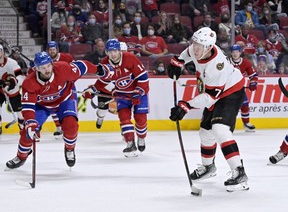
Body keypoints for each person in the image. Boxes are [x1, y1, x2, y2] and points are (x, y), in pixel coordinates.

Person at [167, 27, 249, 192]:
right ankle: (208, 168)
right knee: (205, 132)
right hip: (213, 92)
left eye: (199, 46)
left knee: (219, 129)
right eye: (195, 43)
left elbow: (210, 97)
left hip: (231, 92)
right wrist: (177, 61)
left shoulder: (216, 66)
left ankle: (239, 171)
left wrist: (186, 105)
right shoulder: (199, 48)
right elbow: (188, 52)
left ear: (209, 47)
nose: (195, 48)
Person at [5, 51, 112, 169]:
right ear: (36, 69)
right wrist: (31, 121)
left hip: (65, 100)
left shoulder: (63, 68)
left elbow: (82, 66)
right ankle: (21, 156)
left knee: (71, 126)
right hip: (42, 106)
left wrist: (98, 69)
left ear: (52, 64)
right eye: (42, 67)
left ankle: (70, 149)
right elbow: (28, 106)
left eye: (48, 66)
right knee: (28, 131)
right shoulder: (29, 83)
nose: (47, 70)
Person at [83, 39, 149, 157]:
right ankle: (130, 143)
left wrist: (139, 92)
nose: (112, 54)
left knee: (140, 118)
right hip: (122, 94)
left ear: (119, 50)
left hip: (138, 93)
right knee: (124, 118)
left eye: (115, 51)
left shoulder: (130, 58)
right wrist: (92, 90)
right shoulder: (105, 63)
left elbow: (143, 77)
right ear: (106, 52)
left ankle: (141, 137)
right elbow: (102, 82)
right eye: (109, 51)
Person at [47, 41, 74, 138]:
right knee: (53, 108)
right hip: (54, 87)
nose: (52, 51)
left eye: (53, 49)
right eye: (50, 50)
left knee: (68, 107)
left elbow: (74, 69)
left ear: (57, 49)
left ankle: (68, 128)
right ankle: (58, 128)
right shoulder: (46, 60)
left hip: (67, 85)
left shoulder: (66, 57)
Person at [229, 44, 258, 132]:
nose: (235, 54)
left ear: (240, 52)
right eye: (233, 52)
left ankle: (246, 123)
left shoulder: (246, 62)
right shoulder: (226, 62)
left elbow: (253, 75)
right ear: (231, 53)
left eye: (237, 52)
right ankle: (228, 124)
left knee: (245, 105)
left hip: (239, 88)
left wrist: (253, 83)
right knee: (229, 107)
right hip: (227, 89)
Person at [0, 44, 25, 134]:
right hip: (0, 90)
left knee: (20, 112)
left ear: (3, 52)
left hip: (13, 89)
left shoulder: (12, 62)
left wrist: (14, 82)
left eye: (0, 50)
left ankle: (22, 127)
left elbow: (21, 77)